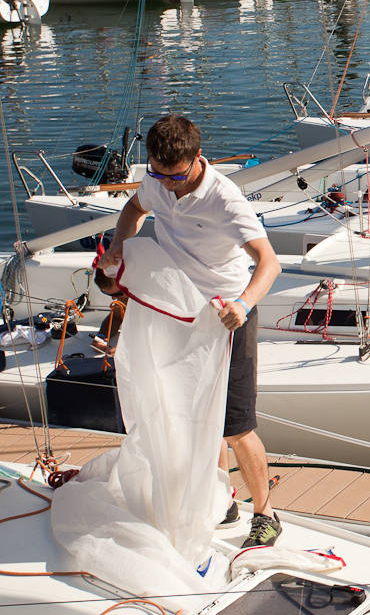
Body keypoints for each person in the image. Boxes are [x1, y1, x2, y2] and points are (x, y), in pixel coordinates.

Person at [97, 115, 283, 547]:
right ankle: (221, 500)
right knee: (199, 417)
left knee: (236, 426)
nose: (168, 186)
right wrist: (121, 242)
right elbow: (132, 208)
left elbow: (269, 262)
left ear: (198, 159)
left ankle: (266, 514)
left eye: (176, 176)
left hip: (228, 314)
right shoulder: (157, 180)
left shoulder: (225, 200)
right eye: (159, 175)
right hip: (181, 311)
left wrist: (242, 304)